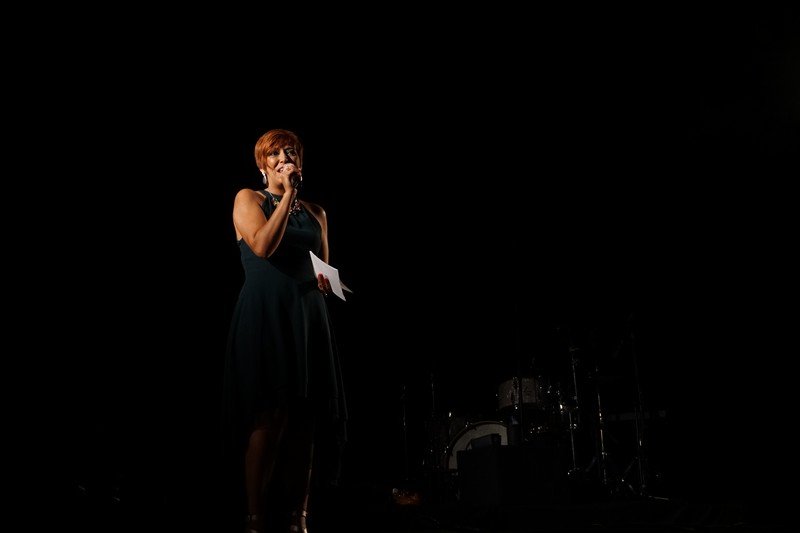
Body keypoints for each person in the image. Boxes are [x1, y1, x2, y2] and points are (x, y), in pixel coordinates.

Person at [222, 129, 347, 533]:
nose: (283, 159)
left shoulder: (317, 213)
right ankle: (255, 518)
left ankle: (299, 518)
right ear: (263, 165)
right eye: (274, 154)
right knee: (268, 413)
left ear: (300, 162)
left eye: (289, 152)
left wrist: (329, 283)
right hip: (266, 312)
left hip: (306, 315)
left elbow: (320, 266)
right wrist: (287, 195)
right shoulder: (249, 199)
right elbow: (262, 246)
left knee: (304, 419)